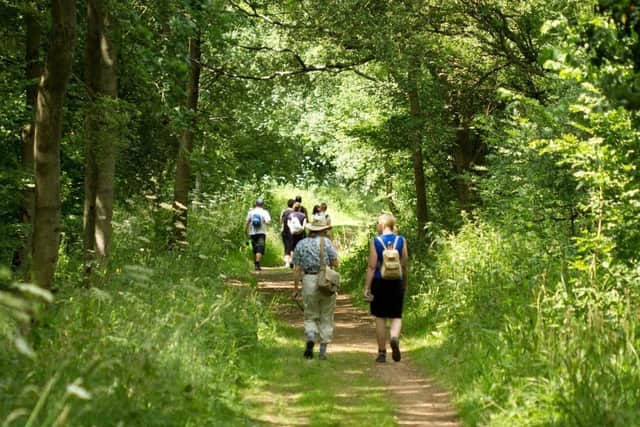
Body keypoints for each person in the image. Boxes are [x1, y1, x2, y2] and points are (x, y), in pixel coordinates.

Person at [363, 213, 408, 363]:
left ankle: (382, 353)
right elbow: (404, 264)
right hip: (396, 281)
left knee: (380, 317)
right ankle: (394, 338)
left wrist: (367, 287)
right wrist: (404, 282)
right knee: (396, 315)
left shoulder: (375, 241)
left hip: (379, 282)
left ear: (382, 225)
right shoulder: (401, 240)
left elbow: (371, 266)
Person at [292, 216, 339, 360]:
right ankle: (323, 351)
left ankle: (311, 336)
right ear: (324, 230)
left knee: (310, 314)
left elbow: (297, 268)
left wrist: (295, 288)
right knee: (326, 315)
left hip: (308, 280)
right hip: (325, 280)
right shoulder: (327, 243)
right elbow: (336, 263)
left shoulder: (301, 244)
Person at [245, 198, 272, 271]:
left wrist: (245, 231)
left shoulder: (251, 212)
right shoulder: (264, 212)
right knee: (260, 249)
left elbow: (247, 222)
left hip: (252, 233)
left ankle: (256, 263)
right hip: (261, 232)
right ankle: (257, 264)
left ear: (255, 204)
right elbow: (269, 222)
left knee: (255, 248)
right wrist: (264, 222)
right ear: (262, 204)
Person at [286, 202, 307, 266]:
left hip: (293, 234)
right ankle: (299, 261)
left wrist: (292, 230)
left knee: (292, 247)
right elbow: (304, 225)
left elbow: (288, 224)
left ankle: (292, 260)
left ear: (293, 208)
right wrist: (301, 230)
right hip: (301, 233)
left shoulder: (290, 215)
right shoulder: (303, 215)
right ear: (299, 208)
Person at [280, 199, 295, 267]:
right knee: (291, 246)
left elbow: (281, 221)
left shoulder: (284, 211)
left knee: (286, 246)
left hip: (284, 230)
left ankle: (287, 263)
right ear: (293, 204)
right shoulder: (294, 212)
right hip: (292, 231)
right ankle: (291, 261)